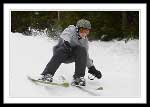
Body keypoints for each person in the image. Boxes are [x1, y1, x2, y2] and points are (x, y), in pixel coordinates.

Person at [38, 19, 102, 86]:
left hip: (71, 56)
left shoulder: (84, 41)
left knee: (82, 50)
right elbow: (66, 34)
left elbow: (85, 55)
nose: (84, 34)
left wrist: (92, 68)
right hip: (60, 53)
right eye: (82, 31)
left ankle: (78, 78)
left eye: (86, 31)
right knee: (62, 49)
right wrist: (66, 42)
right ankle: (47, 74)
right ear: (77, 29)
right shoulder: (71, 29)